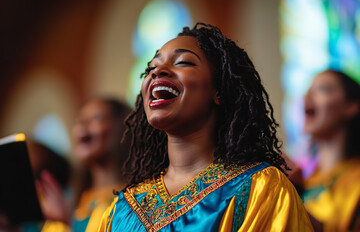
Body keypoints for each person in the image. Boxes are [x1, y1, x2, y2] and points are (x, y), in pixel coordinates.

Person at [98, 23, 313, 231]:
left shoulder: (260, 189)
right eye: (152, 67)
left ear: (219, 89)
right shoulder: (119, 210)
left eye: (183, 62)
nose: (157, 72)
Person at [38, 98, 131, 232]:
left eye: (96, 118)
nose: (82, 125)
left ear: (121, 128)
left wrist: (67, 222)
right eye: (79, 121)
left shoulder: (135, 201)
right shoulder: (72, 202)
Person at [287, 69, 360, 231]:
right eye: (307, 90)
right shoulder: (306, 179)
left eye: (323, 89)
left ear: (351, 106)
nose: (307, 97)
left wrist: (289, 194)